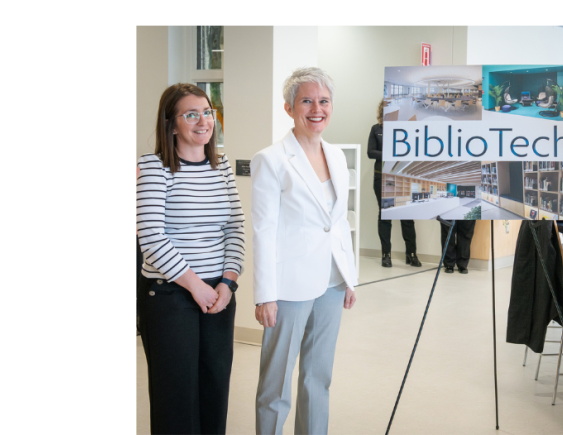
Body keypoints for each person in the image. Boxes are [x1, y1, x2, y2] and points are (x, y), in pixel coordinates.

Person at [252, 67, 358, 435]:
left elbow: (338, 221)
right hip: (289, 287)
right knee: (275, 385)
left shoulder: (337, 156)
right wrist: (265, 295)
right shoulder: (271, 160)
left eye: (324, 101)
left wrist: (349, 276)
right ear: (289, 107)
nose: (317, 109)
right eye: (307, 101)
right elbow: (263, 231)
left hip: (330, 281)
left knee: (318, 378)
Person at [136, 83, 245, 435]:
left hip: (219, 295)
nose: (203, 121)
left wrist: (228, 283)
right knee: (176, 397)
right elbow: (151, 235)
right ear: (171, 124)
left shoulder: (222, 166)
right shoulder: (154, 167)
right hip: (170, 295)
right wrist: (196, 286)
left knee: (215, 388)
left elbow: (235, 227)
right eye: (191, 114)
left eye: (207, 112)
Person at [368, 99, 421, 268]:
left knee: (407, 217)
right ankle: (386, 255)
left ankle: (411, 254)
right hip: (381, 177)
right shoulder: (376, 129)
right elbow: (370, 152)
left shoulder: (405, 129)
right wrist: (390, 153)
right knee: (385, 216)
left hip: (402, 177)